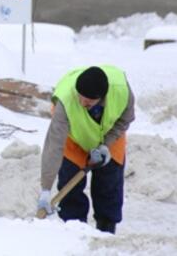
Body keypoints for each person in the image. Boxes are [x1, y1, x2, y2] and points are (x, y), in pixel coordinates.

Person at [37, 65, 135, 233]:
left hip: (109, 136)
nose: (82, 103)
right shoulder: (65, 101)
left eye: (88, 101)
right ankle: (75, 232)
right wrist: (46, 189)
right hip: (74, 136)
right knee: (70, 186)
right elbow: (54, 144)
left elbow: (125, 120)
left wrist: (106, 144)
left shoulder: (122, 92)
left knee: (108, 186)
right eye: (80, 98)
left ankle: (106, 234)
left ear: (101, 98)